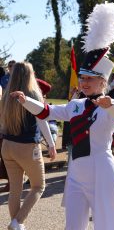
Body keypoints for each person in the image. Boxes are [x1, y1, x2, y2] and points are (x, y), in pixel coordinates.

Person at [10, 2, 114, 230]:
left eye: (89, 79)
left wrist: (110, 106)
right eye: (82, 78)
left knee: (108, 223)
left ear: (102, 81)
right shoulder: (76, 105)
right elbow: (48, 112)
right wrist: (25, 100)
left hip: (102, 171)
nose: (83, 82)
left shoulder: (111, 103)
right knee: (73, 225)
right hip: (76, 171)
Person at [1, 62, 56, 230]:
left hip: (7, 146)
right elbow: (43, 120)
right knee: (39, 186)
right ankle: (18, 221)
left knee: (15, 190)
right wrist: (51, 145)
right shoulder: (33, 93)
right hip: (27, 146)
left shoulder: (5, 96)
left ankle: (16, 224)